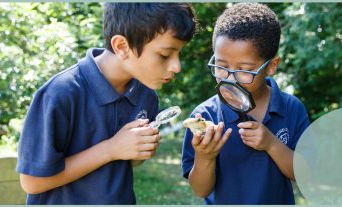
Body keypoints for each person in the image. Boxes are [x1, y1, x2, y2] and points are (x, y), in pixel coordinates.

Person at [16, 3, 196, 204]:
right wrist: (111, 149)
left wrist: (139, 148)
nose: (177, 66)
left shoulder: (146, 95)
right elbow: (32, 182)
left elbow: (132, 162)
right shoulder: (60, 93)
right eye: (165, 55)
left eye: (179, 54)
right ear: (122, 46)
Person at [181, 3, 310, 204]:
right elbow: (200, 190)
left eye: (244, 70)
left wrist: (271, 144)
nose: (230, 80)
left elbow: (303, 175)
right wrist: (205, 157)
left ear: (272, 66)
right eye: (221, 67)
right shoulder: (205, 115)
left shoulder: (292, 109)